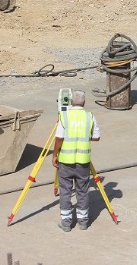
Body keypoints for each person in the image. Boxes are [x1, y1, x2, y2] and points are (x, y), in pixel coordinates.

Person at [52, 90, 100, 232]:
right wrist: (84, 136)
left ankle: (66, 223)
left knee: (65, 191)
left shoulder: (64, 116)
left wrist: (55, 155)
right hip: (83, 162)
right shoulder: (89, 116)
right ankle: (83, 222)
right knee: (82, 191)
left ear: (70, 102)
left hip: (66, 162)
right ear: (84, 102)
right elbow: (96, 137)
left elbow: (59, 137)